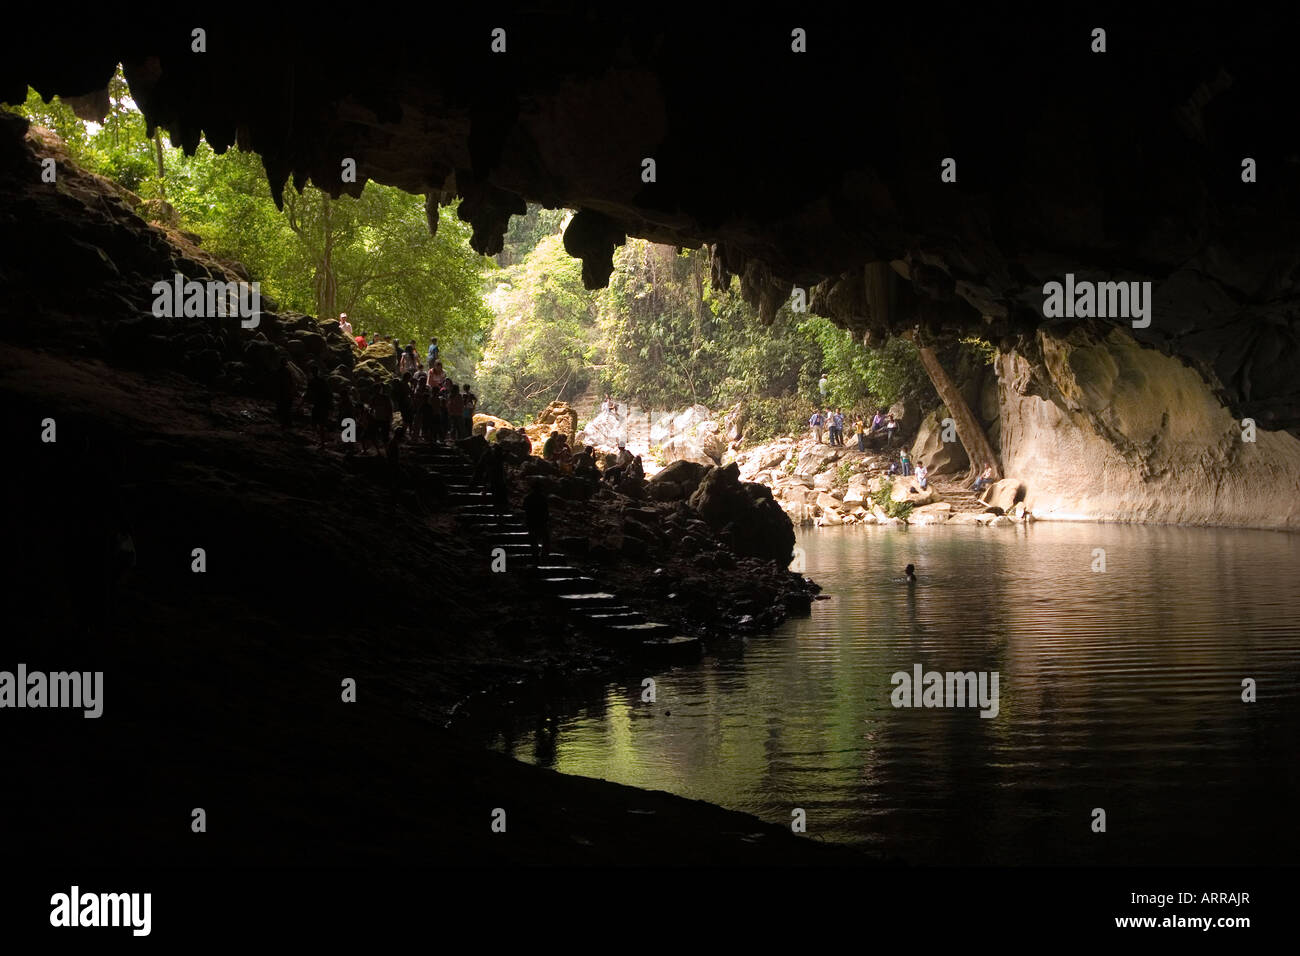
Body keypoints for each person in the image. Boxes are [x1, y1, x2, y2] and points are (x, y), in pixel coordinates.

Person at [523, 479, 551, 564]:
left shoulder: (528, 498)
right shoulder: (543, 498)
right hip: (541, 522)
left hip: (532, 521)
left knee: (534, 540)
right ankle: (543, 557)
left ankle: (535, 557)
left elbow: (525, 508)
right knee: (545, 539)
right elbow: (546, 511)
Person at [305, 364, 332, 447]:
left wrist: (301, 404)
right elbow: (329, 393)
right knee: (321, 424)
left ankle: (321, 440)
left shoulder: (312, 382)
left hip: (318, 405)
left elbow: (308, 394)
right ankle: (322, 441)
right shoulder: (322, 381)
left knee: (315, 424)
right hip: (323, 405)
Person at [274, 357, 295, 428]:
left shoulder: (279, 371)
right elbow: (291, 382)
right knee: (287, 408)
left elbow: (276, 383)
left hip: (282, 392)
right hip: (286, 392)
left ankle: (284, 423)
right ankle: (287, 423)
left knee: (282, 408)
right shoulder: (287, 371)